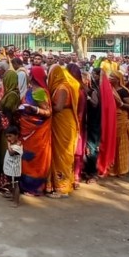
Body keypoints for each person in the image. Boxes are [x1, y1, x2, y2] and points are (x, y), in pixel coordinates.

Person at [47, 66, 80, 198]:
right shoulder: (63, 86)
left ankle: (62, 188)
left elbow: (58, 107)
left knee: (62, 155)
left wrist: (44, 106)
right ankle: (65, 183)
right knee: (61, 154)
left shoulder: (62, 88)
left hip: (63, 122)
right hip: (63, 122)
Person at [19, 66, 53, 195]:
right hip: (26, 130)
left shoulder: (39, 92)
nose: (28, 75)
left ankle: (36, 187)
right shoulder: (30, 89)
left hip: (37, 131)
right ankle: (26, 185)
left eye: (30, 73)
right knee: (26, 157)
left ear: (33, 76)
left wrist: (34, 110)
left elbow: (48, 112)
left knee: (35, 158)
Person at [0, 66, 21, 195]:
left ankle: (6, 184)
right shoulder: (10, 93)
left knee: (5, 155)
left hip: (7, 129)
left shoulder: (12, 95)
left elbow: (9, 113)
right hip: (5, 127)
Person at [108, 70, 129, 177]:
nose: (109, 78)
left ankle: (122, 169)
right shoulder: (109, 89)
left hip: (121, 120)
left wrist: (120, 103)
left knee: (122, 145)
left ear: (118, 80)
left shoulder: (123, 91)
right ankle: (112, 168)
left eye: (112, 76)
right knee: (112, 144)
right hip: (111, 119)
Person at [67, 64, 88, 186]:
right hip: (79, 123)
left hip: (73, 123)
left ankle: (72, 177)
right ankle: (76, 177)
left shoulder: (74, 90)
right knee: (77, 152)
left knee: (72, 151)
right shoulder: (82, 89)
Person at [2, 125, 23, 207]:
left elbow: (11, 153)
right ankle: (13, 196)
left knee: (15, 185)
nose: (8, 138)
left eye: (10, 136)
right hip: (9, 169)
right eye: (7, 137)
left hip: (14, 170)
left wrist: (8, 144)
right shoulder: (13, 144)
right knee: (11, 184)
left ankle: (16, 202)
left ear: (16, 135)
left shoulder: (18, 145)